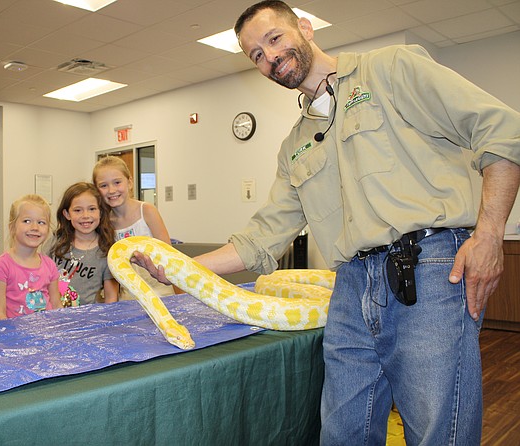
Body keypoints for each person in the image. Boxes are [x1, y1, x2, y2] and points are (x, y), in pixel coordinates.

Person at [134, 2, 520, 444]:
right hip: (351, 286)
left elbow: (503, 132)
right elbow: (262, 238)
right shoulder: (294, 146)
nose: (269, 57)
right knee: (342, 431)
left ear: (304, 26)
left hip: (430, 270)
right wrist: (179, 265)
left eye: (274, 39)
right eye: (256, 55)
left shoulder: (391, 69)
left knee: (438, 432)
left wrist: (489, 234)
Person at [93, 155, 177, 298]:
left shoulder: (147, 211)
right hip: (129, 296)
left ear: (130, 182)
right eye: (103, 185)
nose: (111, 190)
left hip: (161, 293)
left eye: (117, 182)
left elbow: (170, 256)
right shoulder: (105, 221)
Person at [0, 194, 61, 319]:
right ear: (12, 227)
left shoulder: (50, 265)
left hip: (46, 333)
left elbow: (56, 304)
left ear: (48, 229)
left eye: (41, 222)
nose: (35, 227)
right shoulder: (1, 265)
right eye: (27, 221)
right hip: (16, 335)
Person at [49, 182, 119, 306]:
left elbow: (111, 298)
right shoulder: (56, 241)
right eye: (78, 210)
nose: (86, 216)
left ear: (101, 212)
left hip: (86, 320)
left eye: (92, 209)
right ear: (67, 214)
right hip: (51, 316)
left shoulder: (108, 250)